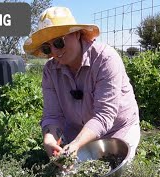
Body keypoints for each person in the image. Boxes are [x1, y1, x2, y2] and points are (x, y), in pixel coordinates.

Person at [23, 6, 141, 168]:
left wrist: (76, 144)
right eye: (47, 48)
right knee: (67, 171)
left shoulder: (104, 59)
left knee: (114, 167)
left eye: (59, 42)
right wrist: (49, 138)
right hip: (78, 131)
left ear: (77, 34)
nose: (55, 51)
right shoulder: (50, 71)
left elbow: (104, 114)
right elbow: (52, 115)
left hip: (117, 128)